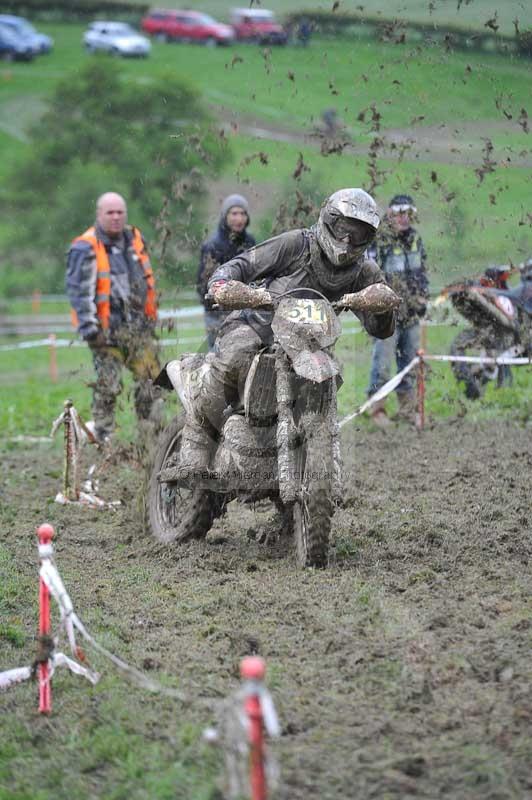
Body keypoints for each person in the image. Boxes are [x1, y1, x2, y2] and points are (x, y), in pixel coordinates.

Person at [173, 188, 398, 477]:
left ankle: (318, 467)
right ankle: (196, 447)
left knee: (327, 380)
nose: (347, 240)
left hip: (310, 346)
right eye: (344, 229)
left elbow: (380, 329)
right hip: (256, 325)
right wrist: (222, 284)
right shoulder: (296, 244)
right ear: (329, 220)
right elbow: (242, 264)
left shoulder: (363, 270)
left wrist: (383, 309)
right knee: (235, 355)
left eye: (358, 234)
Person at [66, 192, 161, 442]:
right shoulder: (85, 246)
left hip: (138, 329)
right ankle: (104, 435)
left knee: (151, 380)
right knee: (108, 386)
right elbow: (78, 293)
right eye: (110, 212)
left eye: (120, 212)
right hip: (106, 332)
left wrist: (150, 318)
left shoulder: (135, 239)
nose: (116, 217)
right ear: (99, 215)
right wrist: (90, 330)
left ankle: (150, 434)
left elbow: (145, 281)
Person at [367, 194, 429, 425]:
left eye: (408, 214)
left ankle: (407, 410)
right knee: (382, 365)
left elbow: (422, 272)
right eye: (400, 213)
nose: (404, 219)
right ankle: (377, 411)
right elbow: (371, 275)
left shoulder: (415, 239)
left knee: (410, 364)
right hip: (387, 315)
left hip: (412, 313)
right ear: (390, 214)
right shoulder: (379, 240)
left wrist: (423, 297)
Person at [197, 194, 256, 350]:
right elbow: (202, 285)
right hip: (217, 314)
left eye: (243, 214)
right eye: (234, 213)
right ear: (225, 216)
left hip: (245, 312)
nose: (239, 218)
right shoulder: (212, 246)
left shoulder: (250, 242)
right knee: (218, 358)